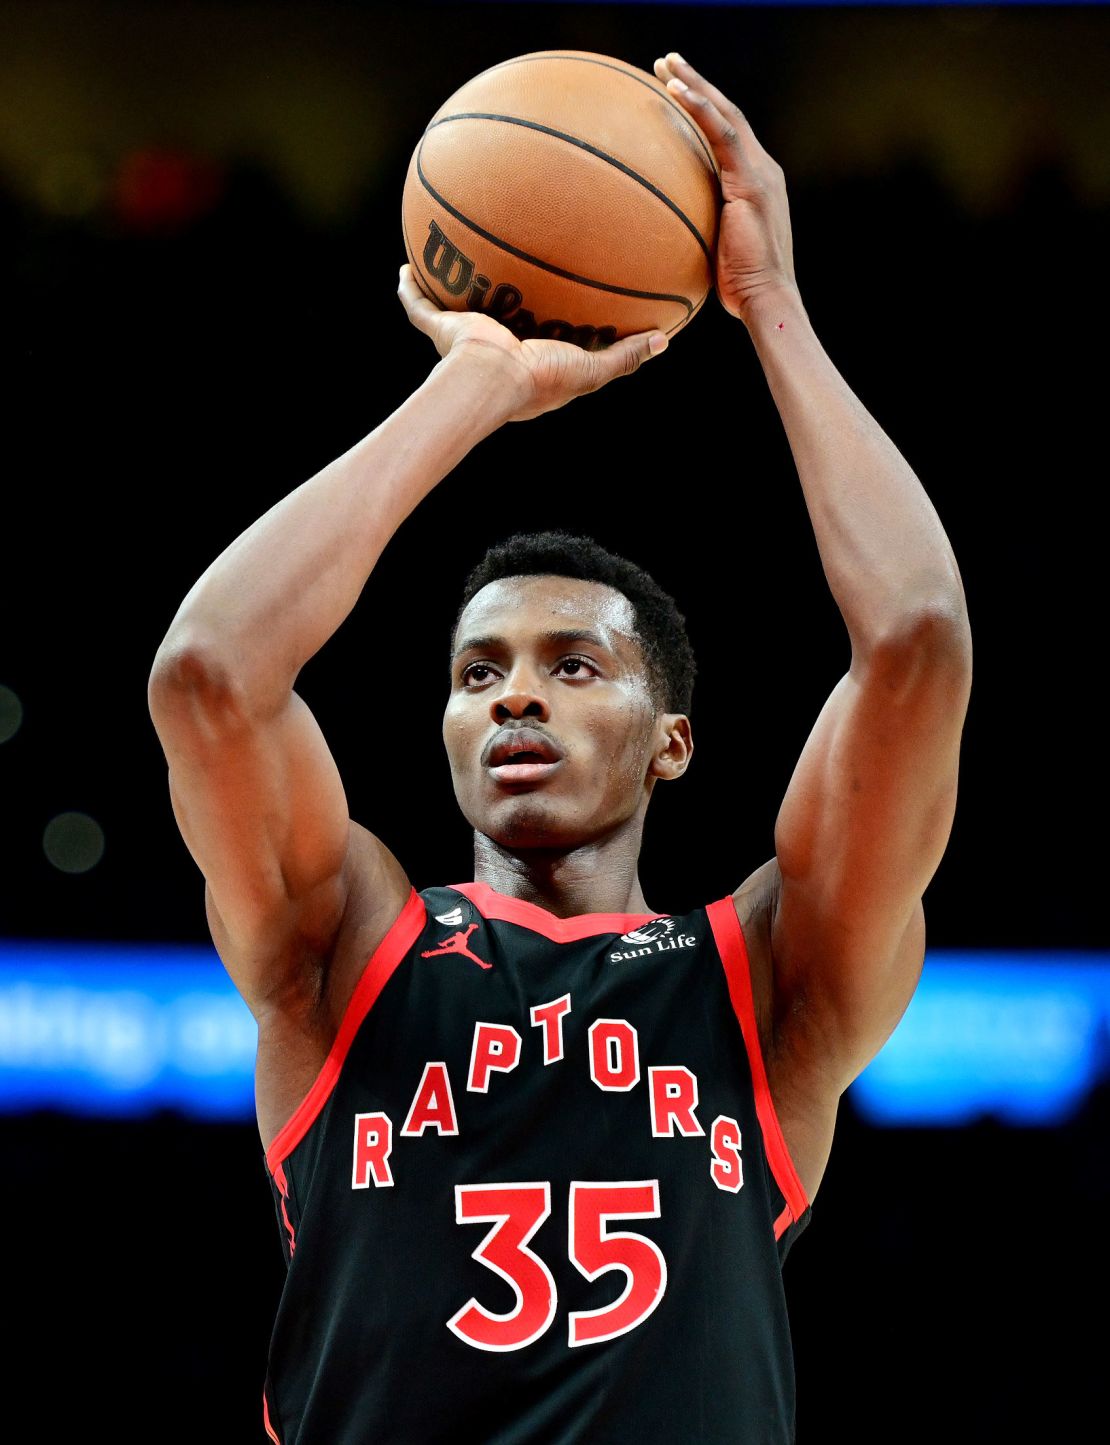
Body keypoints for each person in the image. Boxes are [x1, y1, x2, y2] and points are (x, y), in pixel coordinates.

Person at [148, 53, 971, 1445]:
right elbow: (210, 674)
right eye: (478, 673)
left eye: (570, 665)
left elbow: (916, 643)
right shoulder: (346, 947)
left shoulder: (765, 982)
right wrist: (472, 386)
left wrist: (768, 305)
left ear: (671, 741)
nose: (513, 698)